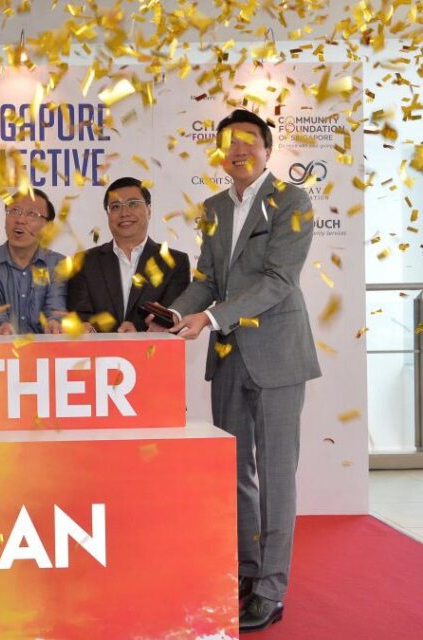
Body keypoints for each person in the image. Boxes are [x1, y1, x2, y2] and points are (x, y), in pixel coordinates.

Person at [153, 109, 321, 632]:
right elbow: (208, 277)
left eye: (249, 141)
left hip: (277, 355)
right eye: (229, 144)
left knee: (274, 477)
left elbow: (278, 280)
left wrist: (211, 316)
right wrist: (181, 312)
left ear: (267, 150)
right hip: (226, 357)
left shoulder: (292, 200)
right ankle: (246, 574)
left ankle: (272, 589)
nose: (238, 151)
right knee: (234, 476)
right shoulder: (212, 207)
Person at [66, 177, 190, 332]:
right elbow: (80, 316)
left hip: (154, 353)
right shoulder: (84, 261)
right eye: (116, 207)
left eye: (133, 204)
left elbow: (173, 317)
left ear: (149, 210)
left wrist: (137, 331)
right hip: (98, 353)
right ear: (108, 215)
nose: (124, 213)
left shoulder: (175, 262)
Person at [0, 188, 66, 335]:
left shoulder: (59, 264)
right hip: (1, 351)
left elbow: (56, 308)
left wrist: (54, 322)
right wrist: (2, 325)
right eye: (14, 211)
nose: (20, 220)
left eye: (31, 214)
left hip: (45, 352)